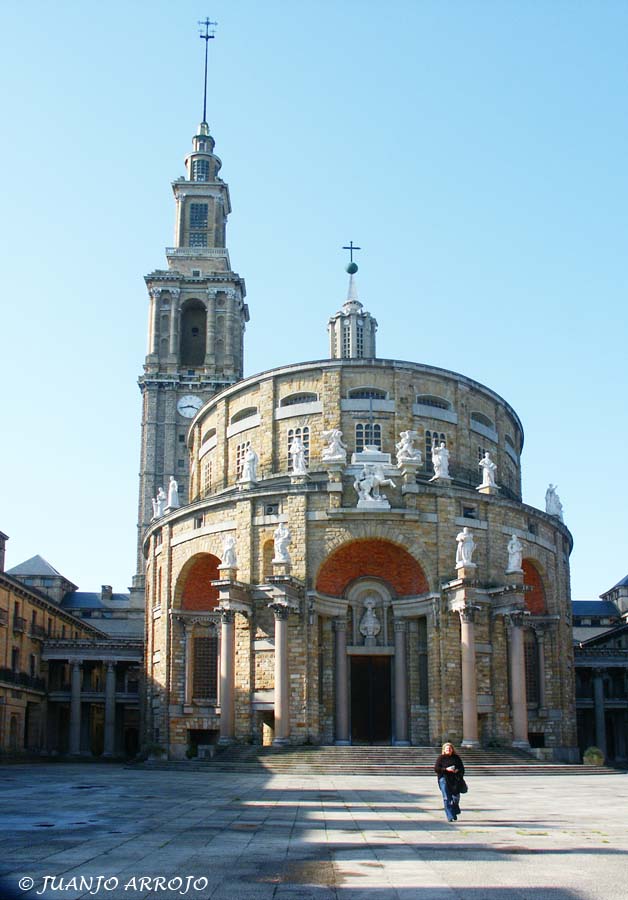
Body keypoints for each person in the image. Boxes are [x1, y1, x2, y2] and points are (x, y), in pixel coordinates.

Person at [434, 741, 465, 823]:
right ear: (444, 750)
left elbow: (462, 768)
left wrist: (457, 770)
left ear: (452, 749)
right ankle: (450, 816)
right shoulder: (441, 758)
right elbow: (436, 769)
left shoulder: (456, 758)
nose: (449, 750)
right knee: (446, 798)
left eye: (450, 748)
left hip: (455, 780)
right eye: (447, 749)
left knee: (456, 798)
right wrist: (446, 770)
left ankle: (454, 810)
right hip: (444, 780)